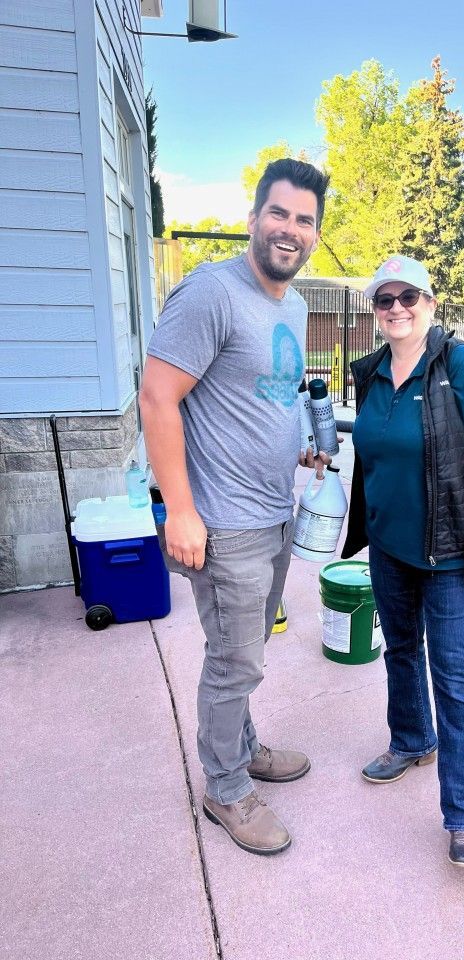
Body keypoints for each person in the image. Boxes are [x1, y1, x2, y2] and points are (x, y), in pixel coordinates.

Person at [139, 159, 330, 857]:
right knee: (234, 660)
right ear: (253, 219)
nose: (290, 229)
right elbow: (158, 398)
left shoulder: (294, 304)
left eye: (304, 220)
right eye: (278, 214)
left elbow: (271, 392)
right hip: (224, 522)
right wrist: (179, 510)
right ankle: (224, 787)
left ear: (314, 234)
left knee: (247, 650)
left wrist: (304, 448)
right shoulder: (210, 294)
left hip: (275, 510)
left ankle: (243, 747)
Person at [341, 255, 464, 868]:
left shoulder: (460, 366)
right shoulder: (370, 373)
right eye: (384, 300)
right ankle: (412, 738)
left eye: (407, 297)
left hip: (452, 555)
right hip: (390, 548)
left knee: (455, 678)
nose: (396, 308)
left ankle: (463, 817)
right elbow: (373, 450)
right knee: (400, 650)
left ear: (430, 302)